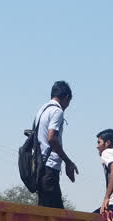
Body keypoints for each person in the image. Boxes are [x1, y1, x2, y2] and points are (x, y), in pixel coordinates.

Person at [33, 81, 78, 209]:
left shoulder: (42, 110)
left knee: (47, 213)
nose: (67, 106)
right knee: (55, 216)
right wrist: (68, 162)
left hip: (40, 166)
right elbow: (52, 138)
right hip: (49, 168)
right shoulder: (57, 111)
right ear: (67, 97)